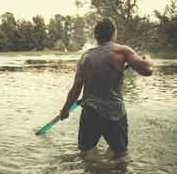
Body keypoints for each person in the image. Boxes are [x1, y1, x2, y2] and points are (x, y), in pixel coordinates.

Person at [60, 18, 153, 159]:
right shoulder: (121, 51)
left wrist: (65, 110)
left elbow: (75, 89)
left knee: (85, 154)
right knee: (121, 155)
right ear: (113, 34)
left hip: (89, 113)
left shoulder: (84, 57)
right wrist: (149, 60)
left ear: (95, 35)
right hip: (113, 113)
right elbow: (148, 70)